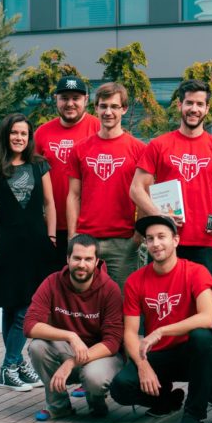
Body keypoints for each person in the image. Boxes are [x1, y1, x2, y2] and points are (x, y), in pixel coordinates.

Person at [130, 79, 212, 406]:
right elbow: (136, 189)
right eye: (189, 102)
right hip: (165, 245)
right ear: (179, 105)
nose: (194, 109)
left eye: (200, 104)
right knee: (158, 310)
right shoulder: (159, 145)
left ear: (207, 108)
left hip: (202, 244)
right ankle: (157, 376)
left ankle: (211, 382)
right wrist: (160, 216)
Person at [109, 216, 212, 423]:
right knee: (121, 388)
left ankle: (195, 413)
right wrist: (143, 366)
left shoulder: (196, 272)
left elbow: (208, 317)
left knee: (202, 337)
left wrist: (161, 330)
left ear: (175, 240)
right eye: (150, 239)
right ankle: (166, 399)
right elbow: (130, 332)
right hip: (158, 355)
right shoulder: (135, 280)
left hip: (191, 355)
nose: (156, 244)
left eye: (161, 237)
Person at [0, 113, 55, 392]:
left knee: (28, 306)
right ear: (5, 135)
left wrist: (51, 237)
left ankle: (12, 364)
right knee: (10, 306)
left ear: (29, 137)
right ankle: (12, 366)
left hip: (36, 245)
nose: (19, 137)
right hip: (5, 245)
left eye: (24, 133)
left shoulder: (39, 165)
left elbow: (50, 203)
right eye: (14, 132)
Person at [24, 234, 124, 420]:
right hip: (68, 349)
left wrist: (71, 363)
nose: (82, 264)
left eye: (88, 259)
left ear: (96, 262)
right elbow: (30, 325)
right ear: (68, 259)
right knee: (37, 347)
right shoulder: (52, 282)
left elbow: (112, 342)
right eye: (77, 258)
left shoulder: (110, 289)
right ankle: (58, 406)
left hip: (101, 355)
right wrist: (71, 336)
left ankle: (96, 401)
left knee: (94, 377)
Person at [67, 82, 146, 291]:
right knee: (85, 302)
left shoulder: (139, 149)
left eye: (114, 106)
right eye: (103, 106)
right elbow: (73, 195)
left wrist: (138, 235)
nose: (108, 112)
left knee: (122, 302)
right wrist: (72, 235)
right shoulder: (79, 149)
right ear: (96, 108)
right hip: (86, 240)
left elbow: (145, 195)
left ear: (124, 109)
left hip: (123, 243)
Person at [34, 75, 101, 267]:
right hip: (51, 226)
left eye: (76, 98)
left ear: (86, 100)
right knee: (53, 280)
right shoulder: (42, 133)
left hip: (88, 226)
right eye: (64, 98)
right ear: (56, 99)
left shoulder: (98, 128)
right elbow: (32, 177)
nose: (70, 103)